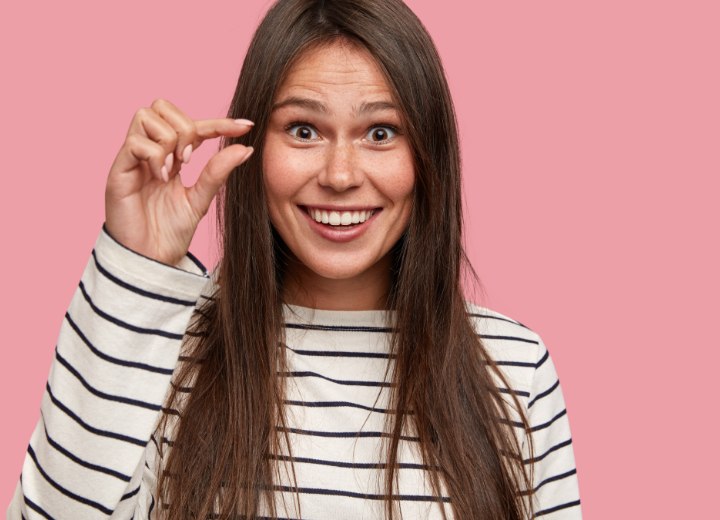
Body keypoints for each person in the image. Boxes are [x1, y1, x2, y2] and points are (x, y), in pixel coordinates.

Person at [8, 0, 581, 518]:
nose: (339, 176)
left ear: (427, 154)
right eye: (303, 130)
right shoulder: (165, 350)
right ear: (251, 147)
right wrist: (137, 270)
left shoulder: (513, 370)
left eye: (380, 132)